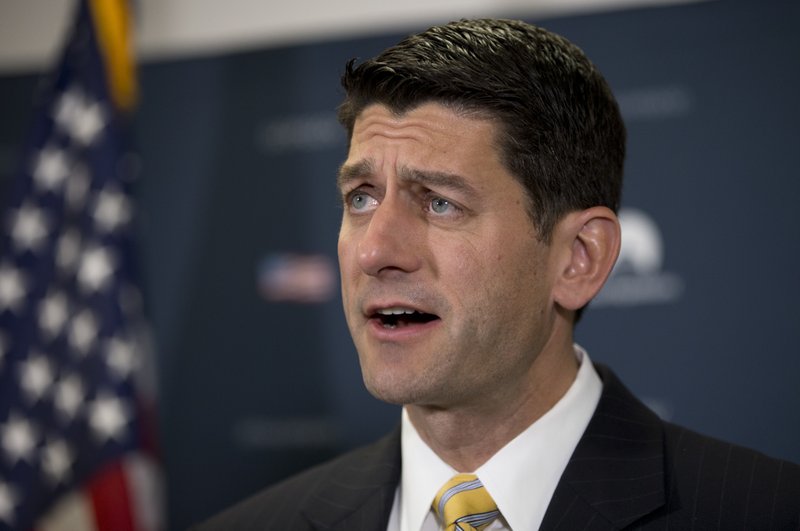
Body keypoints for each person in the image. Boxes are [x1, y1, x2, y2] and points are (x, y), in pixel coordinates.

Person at [193, 18, 800, 530]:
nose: (375, 250)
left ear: (578, 258)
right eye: (360, 197)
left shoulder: (763, 511)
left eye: (438, 202)